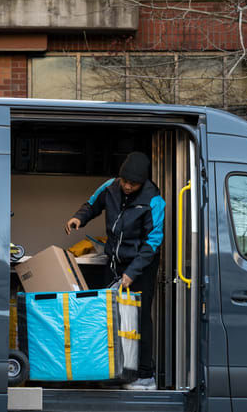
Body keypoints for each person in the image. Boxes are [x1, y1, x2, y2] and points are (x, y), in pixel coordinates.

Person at [64, 151, 164, 390]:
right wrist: (79, 218)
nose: (127, 186)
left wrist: (132, 273)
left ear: (143, 182)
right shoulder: (111, 187)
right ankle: (114, 371)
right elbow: (92, 204)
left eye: (133, 184)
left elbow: (153, 242)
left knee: (139, 319)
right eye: (125, 181)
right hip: (114, 263)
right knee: (110, 317)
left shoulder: (153, 200)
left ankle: (144, 374)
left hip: (141, 266)